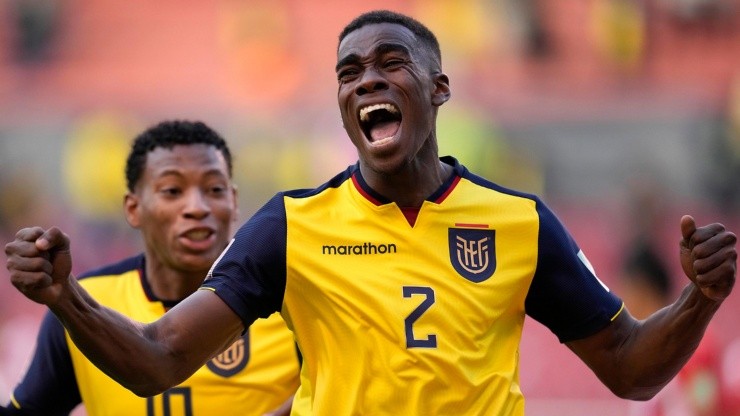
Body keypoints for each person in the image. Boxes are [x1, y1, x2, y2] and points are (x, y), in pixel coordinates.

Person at [5, 10, 737, 415]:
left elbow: (629, 370)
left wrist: (700, 299)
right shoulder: (292, 225)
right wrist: (64, 297)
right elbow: (163, 359)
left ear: (439, 87)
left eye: (390, 63)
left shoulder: (518, 222)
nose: (366, 81)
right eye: (348, 72)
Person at [2, 120, 300, 415]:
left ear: (234, 201)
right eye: (172, 190)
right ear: (133, 208)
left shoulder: (289, 303)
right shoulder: (86, 302)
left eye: (215, 189)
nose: (197, 207)